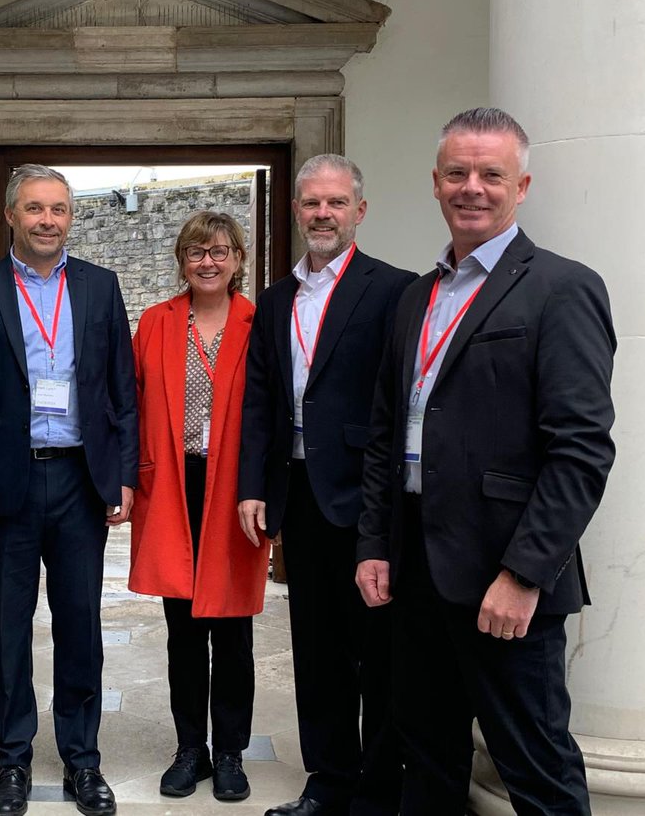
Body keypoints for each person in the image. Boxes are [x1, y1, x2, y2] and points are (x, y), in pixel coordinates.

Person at [356, 107, 617, 815]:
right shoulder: (418, 295)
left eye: (491, 174)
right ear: (435, 183)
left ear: (521, 185)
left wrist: (525, 572)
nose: (473, 187)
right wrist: (375, 544)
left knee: (535, 768)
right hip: (413, 574)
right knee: (428, 757)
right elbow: (388, 433)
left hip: (504, 582)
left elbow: (582, 448)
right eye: (457, 173)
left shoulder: (562, 287)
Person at [0, 164, 137, 816]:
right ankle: (13, 759)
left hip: (81, 481)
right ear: (10, 215)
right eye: (34, 209)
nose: (48, 220)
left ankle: (84, 760)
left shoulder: (100, 287)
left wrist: (123, 476)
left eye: (57, 209)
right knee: (9, 630)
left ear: (69, 216)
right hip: (8, 485)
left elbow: (121, 393)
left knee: (81, 628)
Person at [239, 154, 415, 816]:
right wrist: (254, 485)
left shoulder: (396, 289)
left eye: (335, 203)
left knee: (377, 650)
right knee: (315, 651)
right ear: (296, 211)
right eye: (311, 203)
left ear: (358, 212)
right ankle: (329, 780)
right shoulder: (276, 298)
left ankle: (379, 787)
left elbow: (399, 401)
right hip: (300, 494)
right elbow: (260, 398)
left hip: (369, 498)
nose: (322, 213)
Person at [128, 211, 267, 802]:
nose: (207, 262)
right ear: (181, 261)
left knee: (232, 627)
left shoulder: (259, 323)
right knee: (182, 629)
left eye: (219, 251)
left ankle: (231, 751)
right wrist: (127, 481)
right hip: (172, 483)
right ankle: (191, 749)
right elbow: (129, 405)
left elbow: (273, 415)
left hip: (235, 488)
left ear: (238, 258)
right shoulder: (156, 323)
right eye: (194, 252)